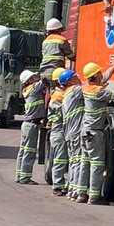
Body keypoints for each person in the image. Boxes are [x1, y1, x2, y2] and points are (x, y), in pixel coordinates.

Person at [76, 58, 114, 203]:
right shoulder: (99, 91)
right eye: (99, 73)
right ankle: (94, 197)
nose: (101, 74)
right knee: (97, 164)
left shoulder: (86, 87)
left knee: (85, 162)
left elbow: (102, 79)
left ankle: (81, 194)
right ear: (95, 75)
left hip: (85, 131)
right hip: (95, 133)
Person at [50, 68, 83, 198]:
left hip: (62, 130)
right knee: (60, 159)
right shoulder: (59, 96)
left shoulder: (62, 94)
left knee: (65, 159)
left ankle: (64, 185)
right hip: (59, 131)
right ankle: (57, 186)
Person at [14, 68, 48, 184]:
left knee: (23, 151)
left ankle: (19, 175)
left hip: (27, 124)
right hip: (31, 125)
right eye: (34, 76)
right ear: (29, 80)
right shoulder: (34, 88)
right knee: (29, 151)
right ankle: (25, 177)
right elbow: (45, 79)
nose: (36, 76)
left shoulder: (27, 90)